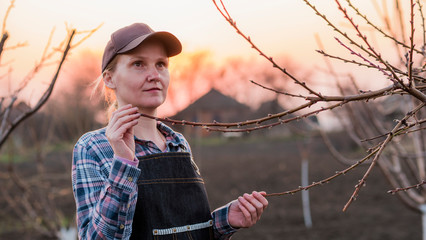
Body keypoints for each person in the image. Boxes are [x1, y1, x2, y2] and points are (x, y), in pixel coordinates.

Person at [72, 22, 268, 240]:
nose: (154, 75)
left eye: (161, 64)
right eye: (139, 64)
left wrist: (225, 221)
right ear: (109, 78)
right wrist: (124, 164)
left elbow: (184, 230)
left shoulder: (178, 143)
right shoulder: (93, 147)